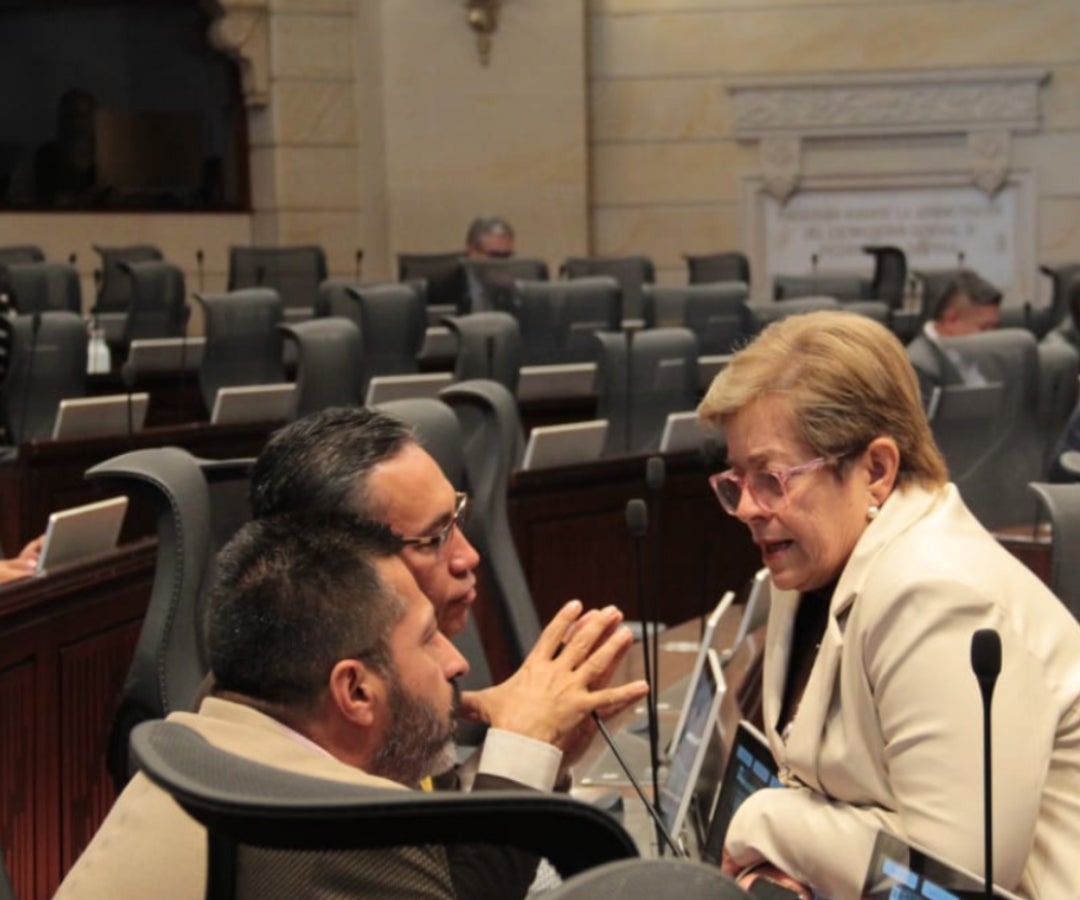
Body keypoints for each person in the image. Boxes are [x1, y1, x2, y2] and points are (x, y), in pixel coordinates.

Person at [56, 513, 644, 899]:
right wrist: (521, 751)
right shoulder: (335, 825)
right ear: (355, 690)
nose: (457, 663)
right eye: (427, 639)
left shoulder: (209, 725)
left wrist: (540, 757)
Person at [698, 310, 1080, 899]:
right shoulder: (811, 560)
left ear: (875, 469)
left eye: (771, 478)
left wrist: (763, 823)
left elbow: (950, 875)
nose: (747, 507)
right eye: (736, 482)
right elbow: (814, 777)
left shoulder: (939, 593)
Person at [250, 406, 639, 782]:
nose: (468, 556)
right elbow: (429, 851)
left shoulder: (410, 682)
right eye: (434, 538)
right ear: (341, 564)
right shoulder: (320, 715)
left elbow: (443, 829)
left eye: (457, 518)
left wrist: (540, 756)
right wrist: (522, 750)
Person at [906, 269, 1002, 408]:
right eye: (984, 328)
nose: (991, 336)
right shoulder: (919, 367)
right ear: (951, 320)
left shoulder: (984, 355)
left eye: (994, 327)